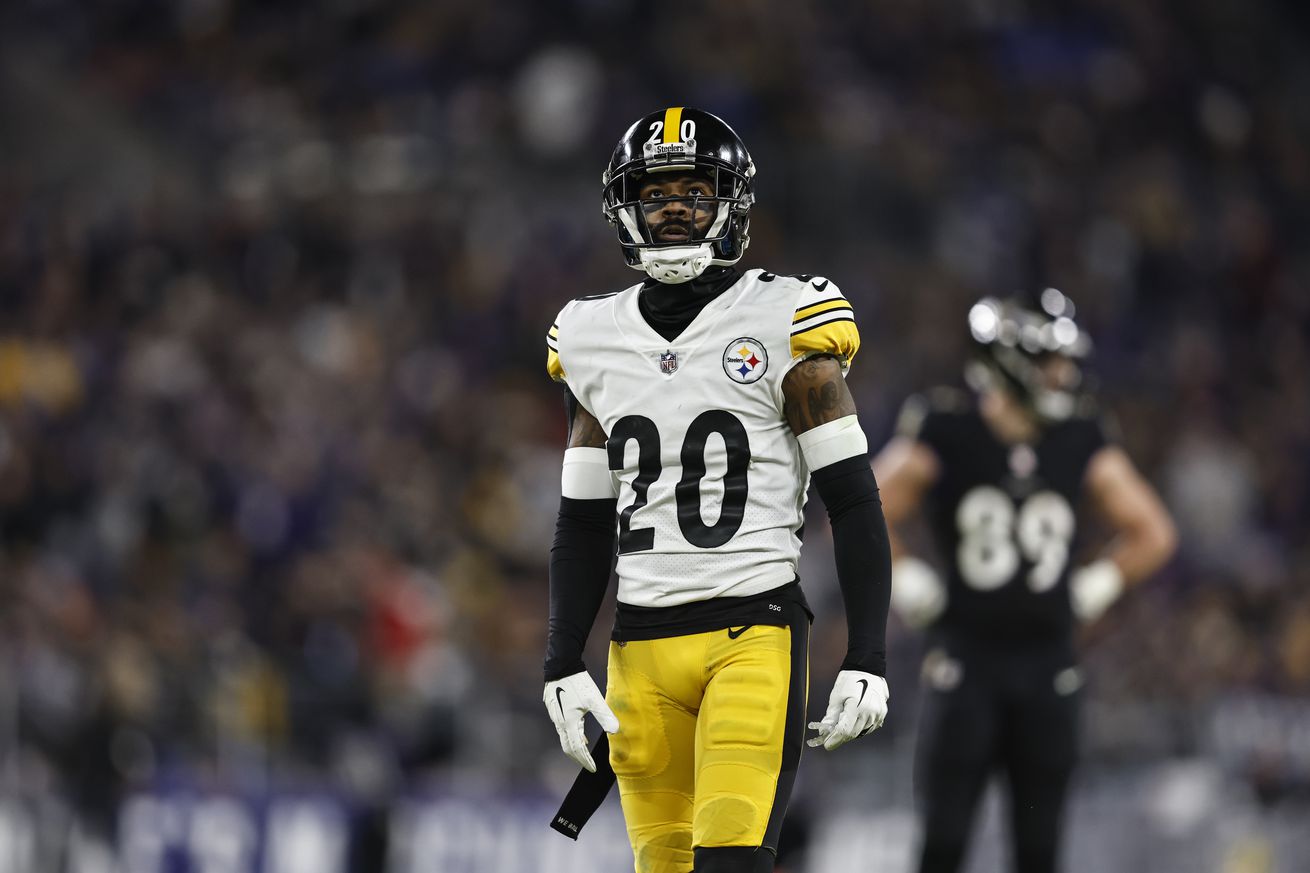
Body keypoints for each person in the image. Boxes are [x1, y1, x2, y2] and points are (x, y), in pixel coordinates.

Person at [540, 107, 893, 873]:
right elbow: (584, 519)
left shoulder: (786, 318)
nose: (672, 208)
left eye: (694, 190)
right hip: (638, 651)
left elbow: (855, 501)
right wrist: (563, 657)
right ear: (623, 206)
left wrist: (867, 651)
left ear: (730, 203)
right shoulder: (588, 335)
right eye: (655, 191)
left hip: (752, 635)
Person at [872, 293, 1178, 873]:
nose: (1062, 376)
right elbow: (861, 510)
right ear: (1009, 360)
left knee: (1039, 852)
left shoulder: (1079, 436)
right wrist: (906, 576)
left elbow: (1153, 531)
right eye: (1048, 362)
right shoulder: (947, 427)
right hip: (965, 661)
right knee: (942, 846)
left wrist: (1100, 582)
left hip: (1047, 666)